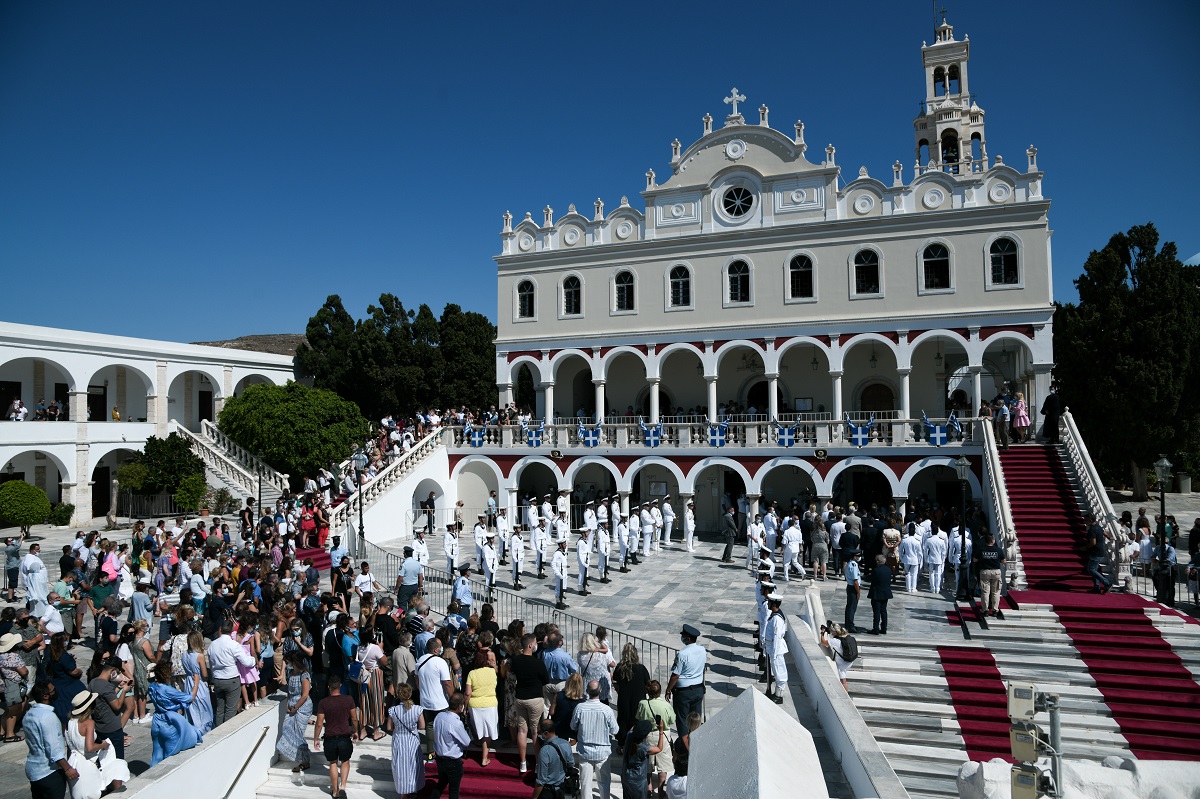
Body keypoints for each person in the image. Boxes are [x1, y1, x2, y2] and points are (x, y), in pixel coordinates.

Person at [66, 689, 129, 799]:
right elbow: (90, 747)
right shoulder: (88, 723)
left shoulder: (70, 722)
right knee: (91, 793)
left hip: (74, 762)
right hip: (87, 763)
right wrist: (103, 745)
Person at [25, 681, 79, 798]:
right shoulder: (48, 717)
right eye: (53, 690)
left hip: (34, 770)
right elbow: (53, 749)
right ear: (45, 696)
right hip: (49, 772)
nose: (56, 692)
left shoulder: (29, 714)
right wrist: (67, 768)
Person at [148, 654, 202, 766]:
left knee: (156, 755)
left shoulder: (152, 686)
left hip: (156, 721)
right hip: (169, 723)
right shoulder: (167, 690)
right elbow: (190, 698)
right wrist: (196, 682)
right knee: (171, 756)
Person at [509, 632, 550, 773]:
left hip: (520, 698)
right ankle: (538, 763)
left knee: (522, 730)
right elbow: (546, 680)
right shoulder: (537, 662)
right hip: (535, 698)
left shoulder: (515, 660)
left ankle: (522, 763)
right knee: (535, 732)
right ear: (530, 645)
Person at [572, 679, 619, 799]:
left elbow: (573, 726)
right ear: (601, 691)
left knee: (585, 784)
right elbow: (615, 730)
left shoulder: (580, 707)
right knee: (604, 782)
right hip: (602, 752)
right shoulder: (606, 710)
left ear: (587, 691)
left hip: (585, 750)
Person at [207, 619, 256, 727]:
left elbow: (211, 664)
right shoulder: (233, 645)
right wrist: (254, 660)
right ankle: (227, 731)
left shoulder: (212, 645)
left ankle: (218, 730)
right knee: (230, 709)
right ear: (232, 631)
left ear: (221, 629)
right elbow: (246, 662)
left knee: (220, 709)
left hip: (218, 680)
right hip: (231, 679)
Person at [314, 680, 357, 799]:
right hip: (344, 736)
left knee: (333, 763)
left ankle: (335, 790)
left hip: (330, 737)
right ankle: (343, 786)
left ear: (329, 687)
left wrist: (316, 738)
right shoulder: (348, 699)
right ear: (340, 686)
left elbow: (319, 723)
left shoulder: (323, 702)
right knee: (345, 761)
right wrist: (356, 731)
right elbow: (354, 718)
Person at [666, 624, 706, 738]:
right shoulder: (702, 649)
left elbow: (675, 675)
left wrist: (668, 690)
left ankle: (685, 748)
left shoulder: (682, 654)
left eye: (683, 636)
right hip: (698, 689)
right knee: (695, 720)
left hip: (684, 692)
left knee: (682, 721)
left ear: (687, 638)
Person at [635, 678, 677, 789]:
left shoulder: (643, 703)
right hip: (662, 735)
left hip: (647, 736)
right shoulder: (666, 704)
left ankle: (648, 789)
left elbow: (638, 718)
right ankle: (661, 790)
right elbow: (672, 720)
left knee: (647, 765)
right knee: (662, 767)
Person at [387, 683, 426, 798]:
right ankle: (414, 789)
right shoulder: (417, 709)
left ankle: (404, 793)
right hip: (413, 740)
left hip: (399, 740)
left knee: (401, 767)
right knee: (414, 765)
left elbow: (389, 727)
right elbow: (422, 726)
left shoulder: (393, 710)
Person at [431, 692, 472, 799]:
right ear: (459, 707)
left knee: (441, 784)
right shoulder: (456, 723)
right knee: (454, 791)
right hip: (452, 762)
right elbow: (466, 742)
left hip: (440, 758)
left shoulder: (439, 716)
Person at [464, 645, 499, 767]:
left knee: (478, 728)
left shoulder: (472, 673)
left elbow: (468, 692)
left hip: (475, 704)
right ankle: (484, 757)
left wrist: (465, 706)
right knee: (488, 732)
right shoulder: (492, 671)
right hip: (490, 704)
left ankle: (479, 743)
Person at [621, 717, 666, 799]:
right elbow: (659, 748)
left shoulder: (629, 736)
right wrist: (661, 731)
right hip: (638, 781)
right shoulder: (644, 748)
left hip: (625, 776)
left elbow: (632, 728)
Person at [614, 641, 650, 741]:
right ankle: (636, 742)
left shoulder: (619, 668)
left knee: (623, 720)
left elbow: (615, 680)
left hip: (623, 699)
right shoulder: (641, 668)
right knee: (637, 719)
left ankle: (622, 743)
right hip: (638, 700)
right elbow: (648, 682)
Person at [533, 717, 574, 799]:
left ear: (546, 733)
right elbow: (571, 763)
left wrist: (534, 797)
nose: (538, 735)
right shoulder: (565, 743)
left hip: (548, 792)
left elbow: (541, 780)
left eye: (539, 732)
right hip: (561, 789)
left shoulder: (544, 751)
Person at [975, 532, 1007, 616]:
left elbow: (975, 559)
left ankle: (985, 610)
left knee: (985, 592)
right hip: (996, 572)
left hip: (985, 571)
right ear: (993, 541)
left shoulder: (981, 549)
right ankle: (995, 610)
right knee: (996, 592)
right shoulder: (998, 550)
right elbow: (1004, 561)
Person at [1085, 514, 1113, 594]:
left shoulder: (1092, 529)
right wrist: (1108, 537)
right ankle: (1096, 587)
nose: (1085, 521)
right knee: (1095, 569)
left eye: (1086, 520)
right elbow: (1104, 532)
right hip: (1100, 551)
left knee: (1091, 569)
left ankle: (1107, 583)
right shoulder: (1098, 527)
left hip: (1095, 552)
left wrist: (1085, 547)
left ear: (1090, 520)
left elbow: (1093, 542)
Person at [868, 554, 894, 635]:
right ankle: (884, 628)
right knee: (883, 611)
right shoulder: (888, 570)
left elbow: (872, 579)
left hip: (877, 594)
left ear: (878, 561)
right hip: (885, 593)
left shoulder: (876, 570)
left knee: (876, 612)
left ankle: (875, 628)